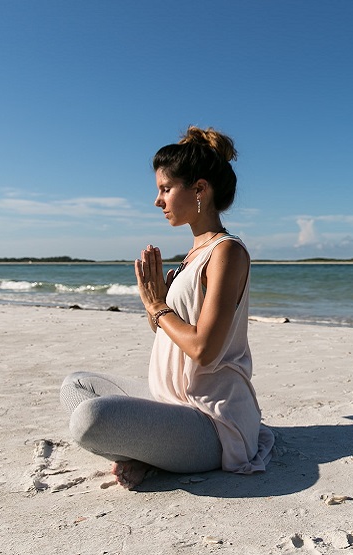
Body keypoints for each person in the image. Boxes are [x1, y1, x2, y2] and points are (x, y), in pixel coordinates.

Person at [60, 126, 274, 489]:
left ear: (200, 190)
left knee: (90, 421)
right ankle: (149, 454)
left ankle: (152, 456)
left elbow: (204, 351)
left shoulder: (227, 253)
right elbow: (169, 335)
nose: (157, 201)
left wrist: (158, 305)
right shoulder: (192, 256)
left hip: (209, 420)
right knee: (76, 385)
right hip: (171, 401)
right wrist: (153, 303)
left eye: (165, 189)